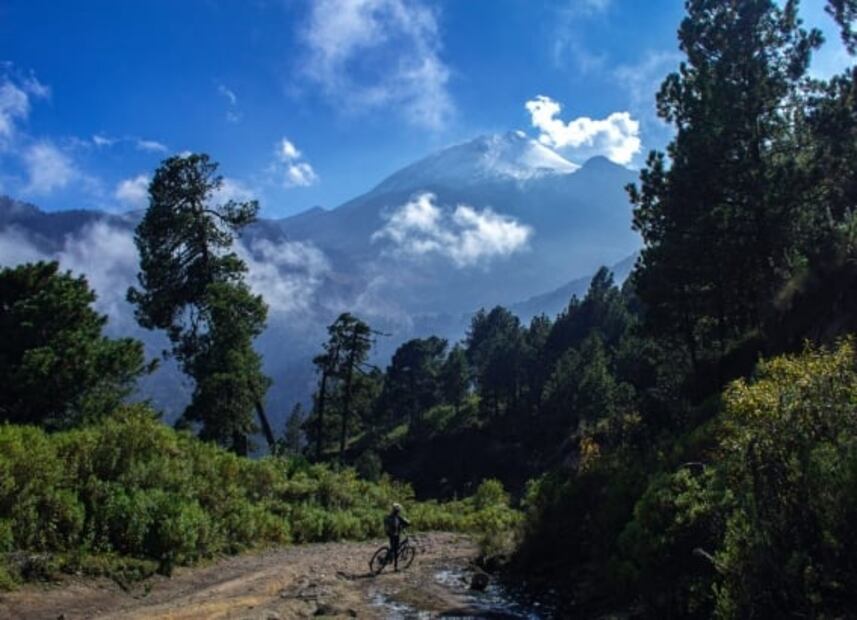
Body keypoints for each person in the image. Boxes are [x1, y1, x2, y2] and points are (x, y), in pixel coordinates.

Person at [383, 502, 410, 570]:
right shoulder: (397, 517)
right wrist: (408, 523)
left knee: (392, 547)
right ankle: (395, 566)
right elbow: (406, 522)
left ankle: (387, 558)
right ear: (398, 510)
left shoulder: (389, 516)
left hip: (389, 534)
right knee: (396, 550)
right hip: (395, 534)